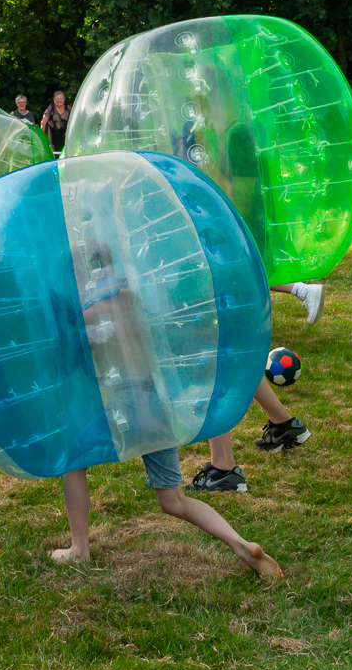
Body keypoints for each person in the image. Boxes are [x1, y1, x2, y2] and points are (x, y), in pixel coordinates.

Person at [47, 238, 283, 581]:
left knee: (73, 460)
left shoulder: (89, 312)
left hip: (126, 407)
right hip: (157, 407)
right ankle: (242, 546)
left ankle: (79, 548)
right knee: (174, 501)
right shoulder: (136, 297)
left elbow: (73, 352)